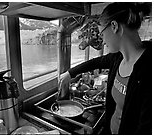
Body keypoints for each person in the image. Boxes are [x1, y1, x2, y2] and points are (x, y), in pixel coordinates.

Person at [58, 2, 151, 135]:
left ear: (114, 26)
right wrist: (69, 73)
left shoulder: (148, 71)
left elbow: (145, 129)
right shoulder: (118, 58)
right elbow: (96, 62)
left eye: (102, 34)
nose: (103, 41)